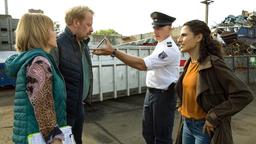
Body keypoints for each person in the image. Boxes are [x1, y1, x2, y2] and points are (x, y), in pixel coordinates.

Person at [93, 11, 181, 144]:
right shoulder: (161, 43)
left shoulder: (169, 49)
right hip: (152, 93)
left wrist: (114, 52)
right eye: (154, 27)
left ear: (170, 28)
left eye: (160, 27)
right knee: (148, 133)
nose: (156, 30)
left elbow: (142, 65)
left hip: (163, 96)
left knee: (162, 137)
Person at [175, 19, 254, 144]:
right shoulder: (189, 63)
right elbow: (185, 88)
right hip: (186, 124)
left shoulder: (213, 63)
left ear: (198, 37)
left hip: (203, 128)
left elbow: (244, 95)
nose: (179, 40)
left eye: (184, 35)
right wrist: (181, 104)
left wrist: (214, 116)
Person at [5, 13, 67, 144]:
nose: (55, 32)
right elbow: (43, 106)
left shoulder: (34, 59)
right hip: (40, 138)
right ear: (40, 32)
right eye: (52, 29)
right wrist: (55, 139)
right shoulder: (39, 62)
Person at [51, 6, 94, 144]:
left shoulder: (83, 43)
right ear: (76, 22)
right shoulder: (57, 44)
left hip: (78, 106)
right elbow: (49, 82)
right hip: (64, 111)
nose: (92, 29)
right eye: (88, 24)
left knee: (77, 140)